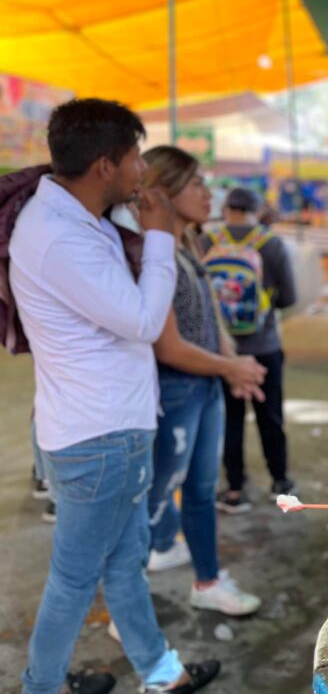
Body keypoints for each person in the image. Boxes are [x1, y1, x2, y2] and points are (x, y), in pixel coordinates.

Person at [10, 99, 218, 694]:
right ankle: (41, 686)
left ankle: (160, 672)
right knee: (75, 578)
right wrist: (160, 238)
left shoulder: (81, 218)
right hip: (98, 437)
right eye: (135, 159)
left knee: (125, 561)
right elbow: (145, 321)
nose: (142, 173)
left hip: (106, 429)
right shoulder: (58, 238)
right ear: (105, 164)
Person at [134, 148, 263, 620]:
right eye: (196, 185)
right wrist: (229, 368)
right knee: (155, 494)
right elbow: (168, 347)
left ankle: (207, 581)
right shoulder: (153, 254)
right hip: (176, 390)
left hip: (204, 387)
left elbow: (210, 318)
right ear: (164, 192)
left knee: (202, 490)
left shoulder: (188, 242)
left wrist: (234, 363)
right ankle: (130, 606)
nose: (209, 195)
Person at [201, 186, 298, 513]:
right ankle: (280, 481)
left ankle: (234, 489)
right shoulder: (270, 244)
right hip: (264, 345)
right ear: (257, 210)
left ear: (226, 209)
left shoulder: (207, 241)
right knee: (270, 416)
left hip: (221, 350)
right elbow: (289, 297)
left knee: (230, 420)